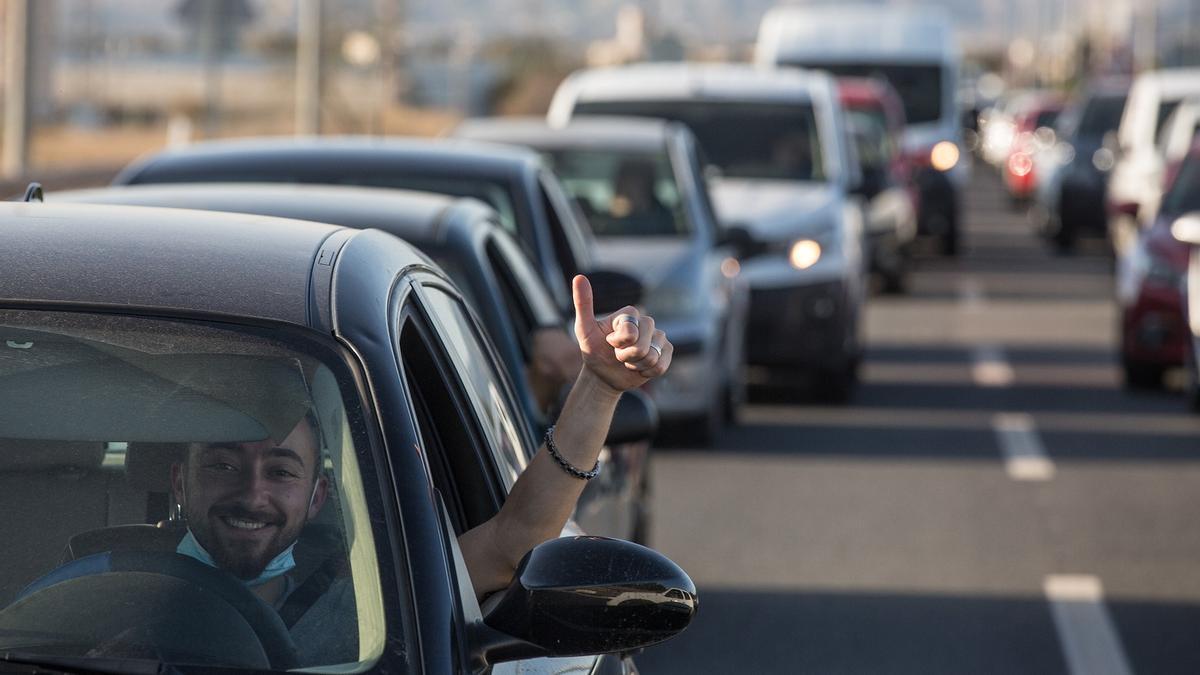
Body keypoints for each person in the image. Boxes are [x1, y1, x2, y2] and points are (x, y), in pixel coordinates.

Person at [168, 274, 673, 658]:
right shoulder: (92, 585)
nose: (253, 494)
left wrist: (599, 387)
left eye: (281, 471)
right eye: (222, 465)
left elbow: (515, 539)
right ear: (179, 481)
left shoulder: (376, 606)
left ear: (318, 494)